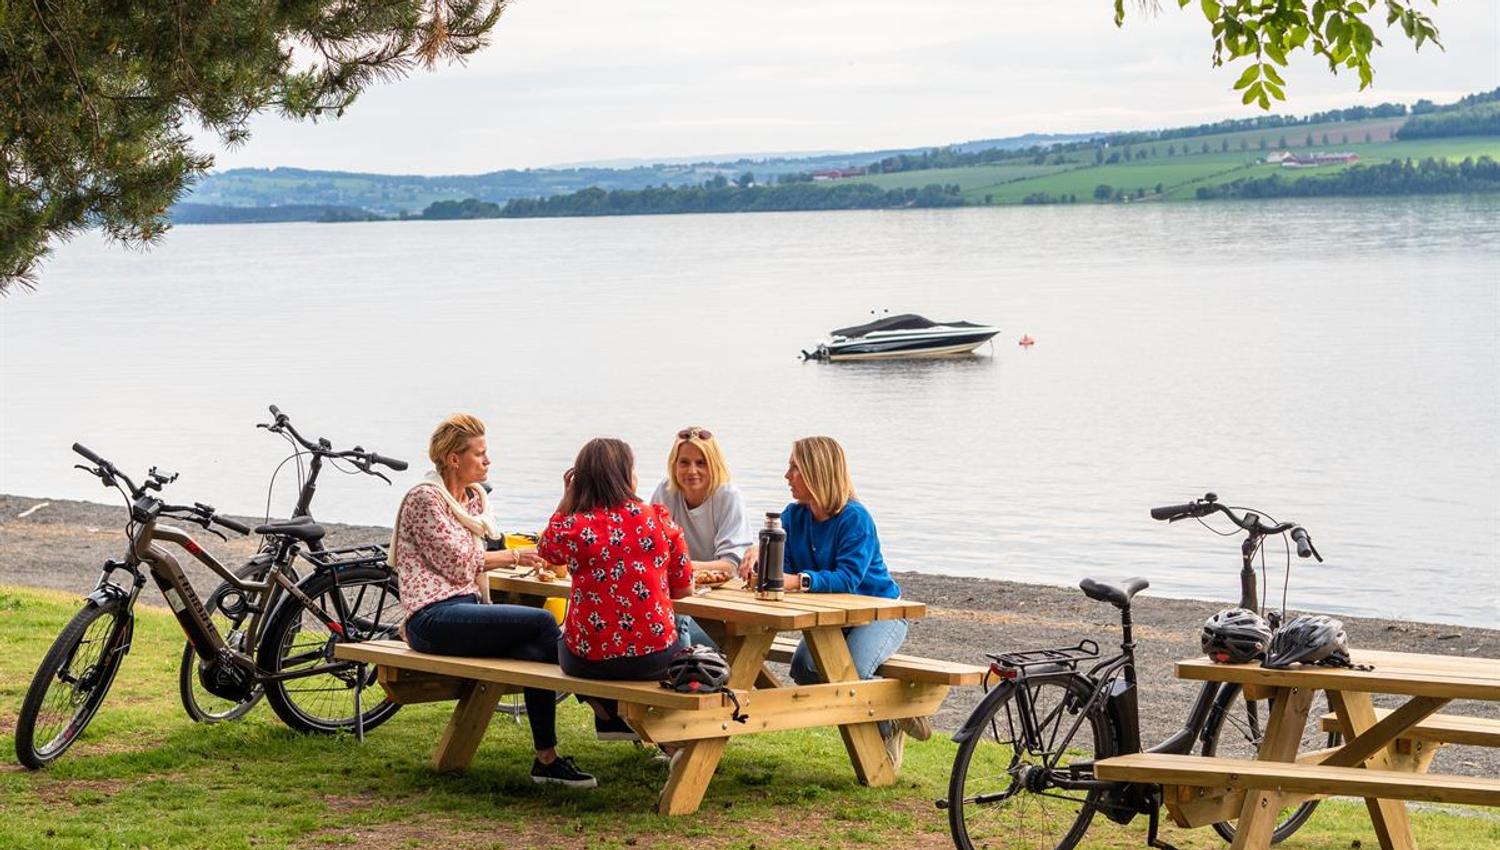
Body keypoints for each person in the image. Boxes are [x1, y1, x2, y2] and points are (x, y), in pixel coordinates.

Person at [388, 413, 596, 788]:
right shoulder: (425, 499)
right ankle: (605, 707)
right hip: (430, 620)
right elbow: (458, 562)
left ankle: (547, 760)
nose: (488, 461)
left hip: (467, 609)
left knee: (535, 651)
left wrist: (564, 506)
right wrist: (516, 557)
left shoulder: (473, 502)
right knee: (543, 623)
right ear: (454, 458)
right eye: (480, 453)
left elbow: (502, 549)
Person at [738, 435, 931, 766]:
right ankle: (895, 709)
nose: (787, 476)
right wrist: (760, 558)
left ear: (817, 471)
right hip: (832, 618)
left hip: (880, 613)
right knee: (804, 668)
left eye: (794, 468)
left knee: (850, 674)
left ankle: (889, 724)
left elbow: (848, 579)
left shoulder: (855, 518)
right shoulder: (793, 516)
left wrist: (799, 581)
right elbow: (783, 568)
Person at [539, 437, 694, 741]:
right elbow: (683, 589)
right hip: (655, 659)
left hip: (586, 662)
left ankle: (607, 713)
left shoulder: (575, 526)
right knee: (678, 631)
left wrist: (566, 502)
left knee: (558, 640)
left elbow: (547, 550)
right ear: (626, 475)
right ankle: (635, 726)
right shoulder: (659, 519)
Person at [649, 426, 753, 648]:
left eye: (701, 463)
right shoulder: (666, 491)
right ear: (674, 465)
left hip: (722, 603)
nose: (692, 471)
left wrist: (681, 567)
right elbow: (650, 549)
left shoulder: (727, 496)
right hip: (679, 595)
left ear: (713, 464)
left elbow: (730, 566)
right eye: (684, 462)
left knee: (675, 625)